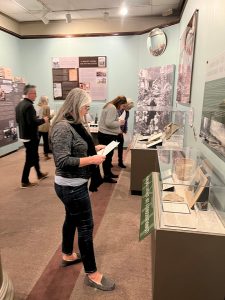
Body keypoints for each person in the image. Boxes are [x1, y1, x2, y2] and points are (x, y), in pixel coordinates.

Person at [50, 88, 115, 291]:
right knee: (86, 227)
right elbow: (62, 160)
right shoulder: (62, 127)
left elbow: (76, 148)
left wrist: (92, 149)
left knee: (71, 218)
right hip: (70, 187)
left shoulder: (75, 124)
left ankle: (68, 254)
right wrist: (92, 159)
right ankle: (92, 273)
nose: (87, 111)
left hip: (74, 185)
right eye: (85, 107)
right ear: (76, 106)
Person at [15, 84, 49, 188]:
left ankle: (39, 174)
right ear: (29, 94)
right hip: (31, 137)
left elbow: (18, 121)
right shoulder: (29, 106)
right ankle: (24, 181)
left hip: (24, 135)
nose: (36, 95)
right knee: (30, 158)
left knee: (34, 155)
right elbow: (33, 122)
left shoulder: (19, 105)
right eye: (34, 93)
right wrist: (44, 120)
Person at [98, 96, 127, 183]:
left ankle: (108, 173)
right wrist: (119, 122)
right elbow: (109, 123)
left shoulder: (109, 106)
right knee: (107, 157)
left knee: (108, 156)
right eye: (123, 106)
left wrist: (117, 120)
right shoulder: (112, 108)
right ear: (120, 103)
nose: (122, 108)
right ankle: (106, 176)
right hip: (107, 135)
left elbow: (109, 120)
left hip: (106, 134)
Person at [117, 99, 134, 168]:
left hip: (121, 132)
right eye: (129, 107)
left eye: (130, 108)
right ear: (125, 105)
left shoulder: (127, 112)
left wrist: (125, 130)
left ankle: (120, 162)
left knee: (120, 147)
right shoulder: (119, 110)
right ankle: (109, 163)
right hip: (115, 131)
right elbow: (116, 121)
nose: (129, 109)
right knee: (111, 148)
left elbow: (125, 122)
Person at [36, 96, 52, 160]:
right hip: (45, 126)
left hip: (38, 125)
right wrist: (52, 115)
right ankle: (46, 155)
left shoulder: (37, 106)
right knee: (45, 141)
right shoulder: (47, 107)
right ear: (45, 100)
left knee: (37, 141)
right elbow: (48, 117)